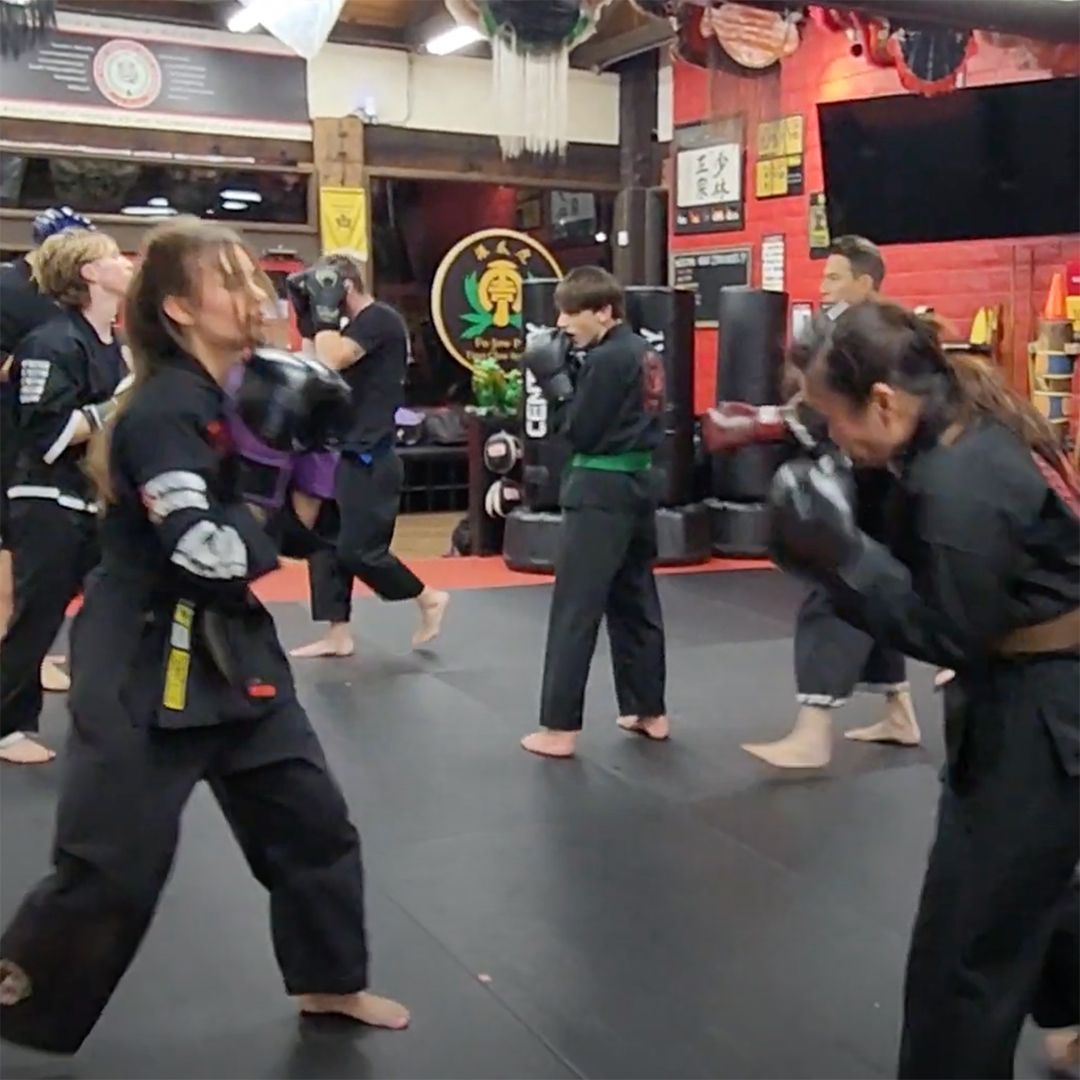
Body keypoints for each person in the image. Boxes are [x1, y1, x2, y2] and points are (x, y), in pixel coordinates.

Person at [0, 217, 409, 1055]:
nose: (255, 294)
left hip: (232, 647)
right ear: (181, 308)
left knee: (312, 826)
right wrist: (267, 468)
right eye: (230, 281)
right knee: (112, 865)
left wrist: (315, 450)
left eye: (254, 277)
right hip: (145, 657)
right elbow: (208, 551)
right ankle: (15, 999)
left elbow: (294, 537)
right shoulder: (158, 411)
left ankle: (330, 981)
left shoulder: (254, 389)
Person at [768, 300, 1079, 1078]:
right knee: (1032, 884)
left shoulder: (965, 483)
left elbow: (949, 634)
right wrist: (821, 449)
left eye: (837, 420)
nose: (834, 436)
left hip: (1043, 714)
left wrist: (841, 556)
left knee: (962, 956)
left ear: (883, 400)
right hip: (1043, 695)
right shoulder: (948, 423)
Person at [705, 236, 920, 768]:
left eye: (834, 277)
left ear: (866, 282)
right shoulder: (859, 334)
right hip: (869, 480)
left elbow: (841, 413)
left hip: (871, 480)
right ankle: (899, 712)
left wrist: (763, 423)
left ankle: (813, 732)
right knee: (872, 590)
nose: (824, 285)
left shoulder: (868, 341)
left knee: (837, 589)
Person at [520, 266, 669, 759]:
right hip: (637, 482)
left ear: (604, 312)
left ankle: (558, 728)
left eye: (571, 312)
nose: (562, 323)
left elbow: (579, 431)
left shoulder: (607, 359)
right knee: (634, 599)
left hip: (599, 486)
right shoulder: (646, 351)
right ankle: (649, 710)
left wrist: (555, 384)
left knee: (575, 606)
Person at [0, 227, 131, 765]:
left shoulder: (116, 348)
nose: (125, 262)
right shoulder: (51, 343)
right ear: (89, 273)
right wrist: (121, 402)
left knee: (114, 613)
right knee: (38, 617)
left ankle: (108, 713)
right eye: (112, 257)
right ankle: (8, 726)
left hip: (95, 501)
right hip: (46, 500)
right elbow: (50, 433)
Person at [284, 251, 449, 657]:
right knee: (323, 545)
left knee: (359, 551)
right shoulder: (350, 327)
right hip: (342, 452)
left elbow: (334, 358)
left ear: (344, 287)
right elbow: (312, 368)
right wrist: (308, 319)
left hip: (371, 457)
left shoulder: (380, 319)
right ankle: (337, 634)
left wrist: (322, 318)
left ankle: (427, 596)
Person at [0, 206, 96, 692]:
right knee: (13, 546)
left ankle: (28, 654)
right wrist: (23, 364)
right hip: (14, 433)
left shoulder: (70, 311)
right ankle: (14, 657)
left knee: (47, 561)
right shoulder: (11, 290)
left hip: (47, 438)